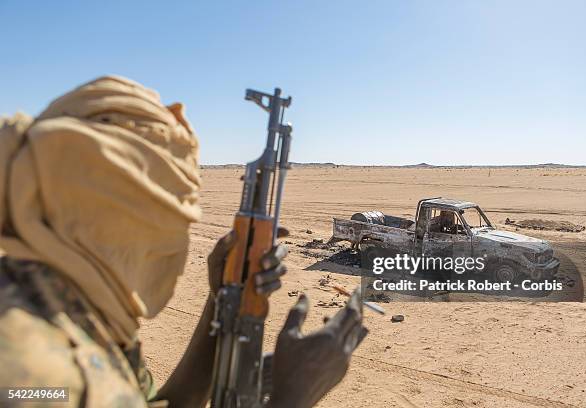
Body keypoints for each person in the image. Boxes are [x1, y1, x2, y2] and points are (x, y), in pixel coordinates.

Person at [0, 76, 366, 407]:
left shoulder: (77, 314)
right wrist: (293, 397)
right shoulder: (33, 372)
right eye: (172, 218)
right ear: (118, 218)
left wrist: (222, 298)